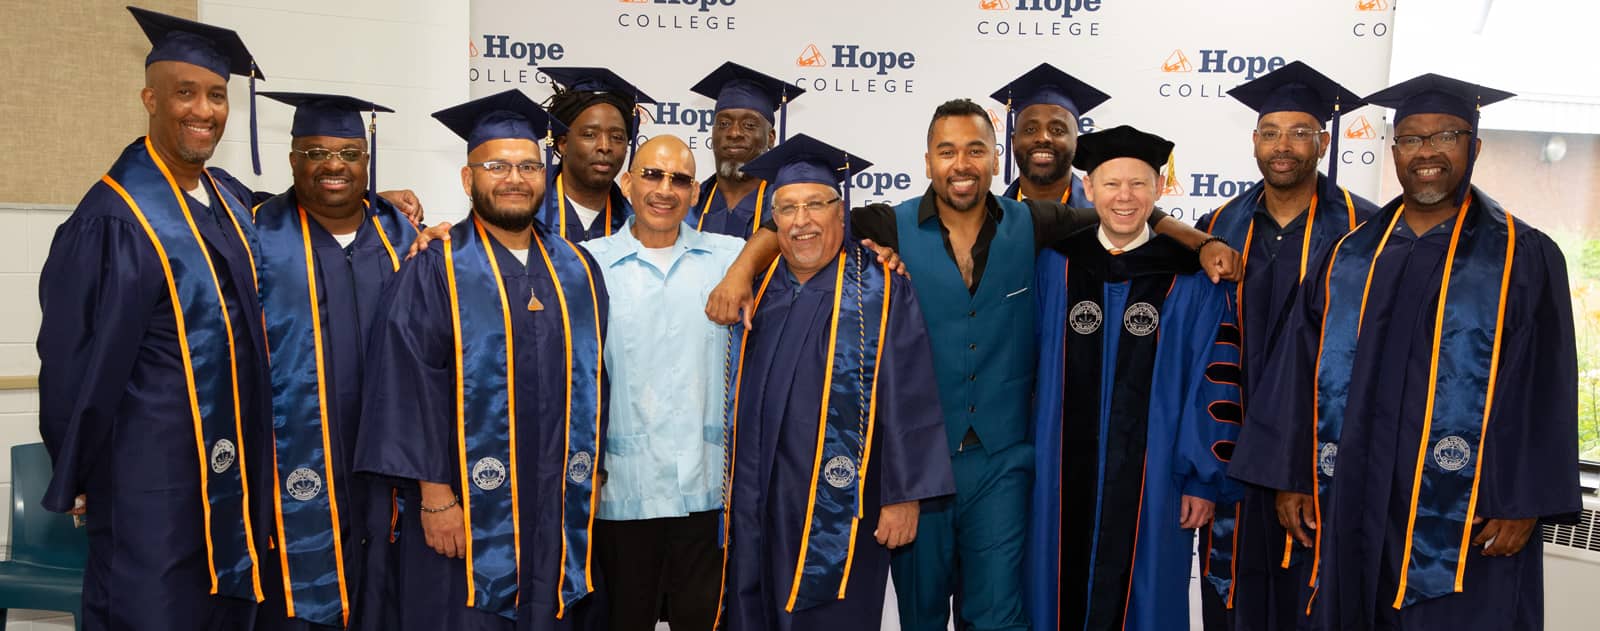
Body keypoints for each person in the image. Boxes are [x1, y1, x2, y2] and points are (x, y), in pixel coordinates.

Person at [706, 99, 1240, 631]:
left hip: (1002, 461)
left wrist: (1203, 241)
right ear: (927, 161)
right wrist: (740, 270)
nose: (961, 164)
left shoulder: (1037, 222)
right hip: (920, 464)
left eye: (975, 150)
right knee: (921, 614)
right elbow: (799, 223)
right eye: (947, 151)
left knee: (998, 616)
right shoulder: (886, 224)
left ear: (994, 159)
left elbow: (1125, 213)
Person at [1230, 74, 1581, 631]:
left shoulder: (1522, 256)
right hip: (1351, 494)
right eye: (1412, 139)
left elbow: (1547, 386)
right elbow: (1299, 368)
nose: (1428, 153)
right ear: (1393, 151)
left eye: (1446, 136)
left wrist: (1523, 499)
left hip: (1467, 508)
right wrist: (1292, 475)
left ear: (1474, 147)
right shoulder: (1349, 255)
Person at [37, 7, 270, 629]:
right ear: (149, 98)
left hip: (231, 464)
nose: (203, 110)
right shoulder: (113, 218)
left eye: (217, 95)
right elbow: (71, 357)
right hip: (148, 474)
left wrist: (384, 206)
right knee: (150, 611)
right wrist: (76, 463)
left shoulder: (222, 197)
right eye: (185, 93)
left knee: (223, 606)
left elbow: (288, 220)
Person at [354, 89, 608, 630]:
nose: (514, 179)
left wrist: (595, 470)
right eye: (496, 166)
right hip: (465, 508)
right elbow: (406, 384)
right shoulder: (435, 267)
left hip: (556, 503)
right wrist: (435, 497)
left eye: (528, 167)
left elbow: (595, 378)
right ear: (469, 180)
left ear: (545, 177)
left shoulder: (578, 270)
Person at [719, 134, 955, 631]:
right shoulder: (757, 286)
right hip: (758, 491)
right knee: (751, 601)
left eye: (815, 205)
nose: (801, 221)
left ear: (841, 213)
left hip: (845, 502)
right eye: (787, 208)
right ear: (774, 220)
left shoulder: (882, 287)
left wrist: (904, 495)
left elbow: (910, 394)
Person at [1027, 124, 1243, 631]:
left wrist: (1202, 480)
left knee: (1147, 598)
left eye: (1139, 184)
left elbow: (1213, 383)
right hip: (1057, 476)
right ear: (1087, 188)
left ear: (1160, 190)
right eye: (1111, 184)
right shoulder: (1053, 267)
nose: (1124, 197)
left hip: (1157, 480)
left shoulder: (1193, 279)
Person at [1190, 61, 1380, 631]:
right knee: (1233, 601)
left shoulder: (1364, 231)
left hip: (1318, 458)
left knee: (1312, 600)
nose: (1284, 146)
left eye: (1300, 133)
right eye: (1271, 132)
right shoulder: (1216, 225)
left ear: (1322, 142)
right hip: (1232, 452)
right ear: (1253, 141)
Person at [249, 91, 420, 631]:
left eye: (348, 153)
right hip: (291, 454)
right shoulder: (255, 233)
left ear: (366, 161)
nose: (333, 166)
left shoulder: (405, 235)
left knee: (386, 586)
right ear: (293, 158)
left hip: (386, 458)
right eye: (315, 151)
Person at [580, 134, 744, 630]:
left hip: (706, 489)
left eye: (680, 179)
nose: (664, 189)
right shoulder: (587, 262)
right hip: (624, 489)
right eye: (652, 174)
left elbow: (789, 235)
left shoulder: (729, 257)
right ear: (627, 183)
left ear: (696, 193)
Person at [686, 61, 804, 238]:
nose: (734, 133)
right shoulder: (689, 206)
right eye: (724, 124)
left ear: (770, 138)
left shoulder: (789, 206)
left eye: (749, 125)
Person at [539, 67, 656, 242]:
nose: (605, 146)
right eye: (589, 135)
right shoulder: (529, 214)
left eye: (617, 137)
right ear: (562, 143)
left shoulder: (636, 228)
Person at [991, 63, 1109, 206]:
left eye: (1057, 130)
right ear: (1013, 141)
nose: (1043, 138)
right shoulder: (988, 220)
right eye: (1030, 129)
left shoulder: (1103, 219)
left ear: (1076, 143)